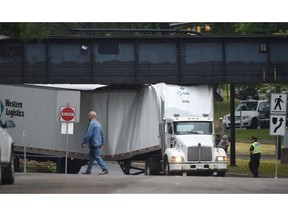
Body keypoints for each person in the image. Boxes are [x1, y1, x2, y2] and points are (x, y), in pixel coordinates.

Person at [81, 111, 109, 175]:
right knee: (91, 158)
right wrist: (102, 143)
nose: (88, 117)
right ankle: (88, 171)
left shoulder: (92, 124)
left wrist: (84, 142)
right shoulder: (98, 124)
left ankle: (105, 169)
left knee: (97, 156)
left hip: (94, 143)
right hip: (97, 143)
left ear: (93, 116)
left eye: (89, 115)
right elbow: (102, 134)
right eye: (88, 115)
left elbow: (88, 134)